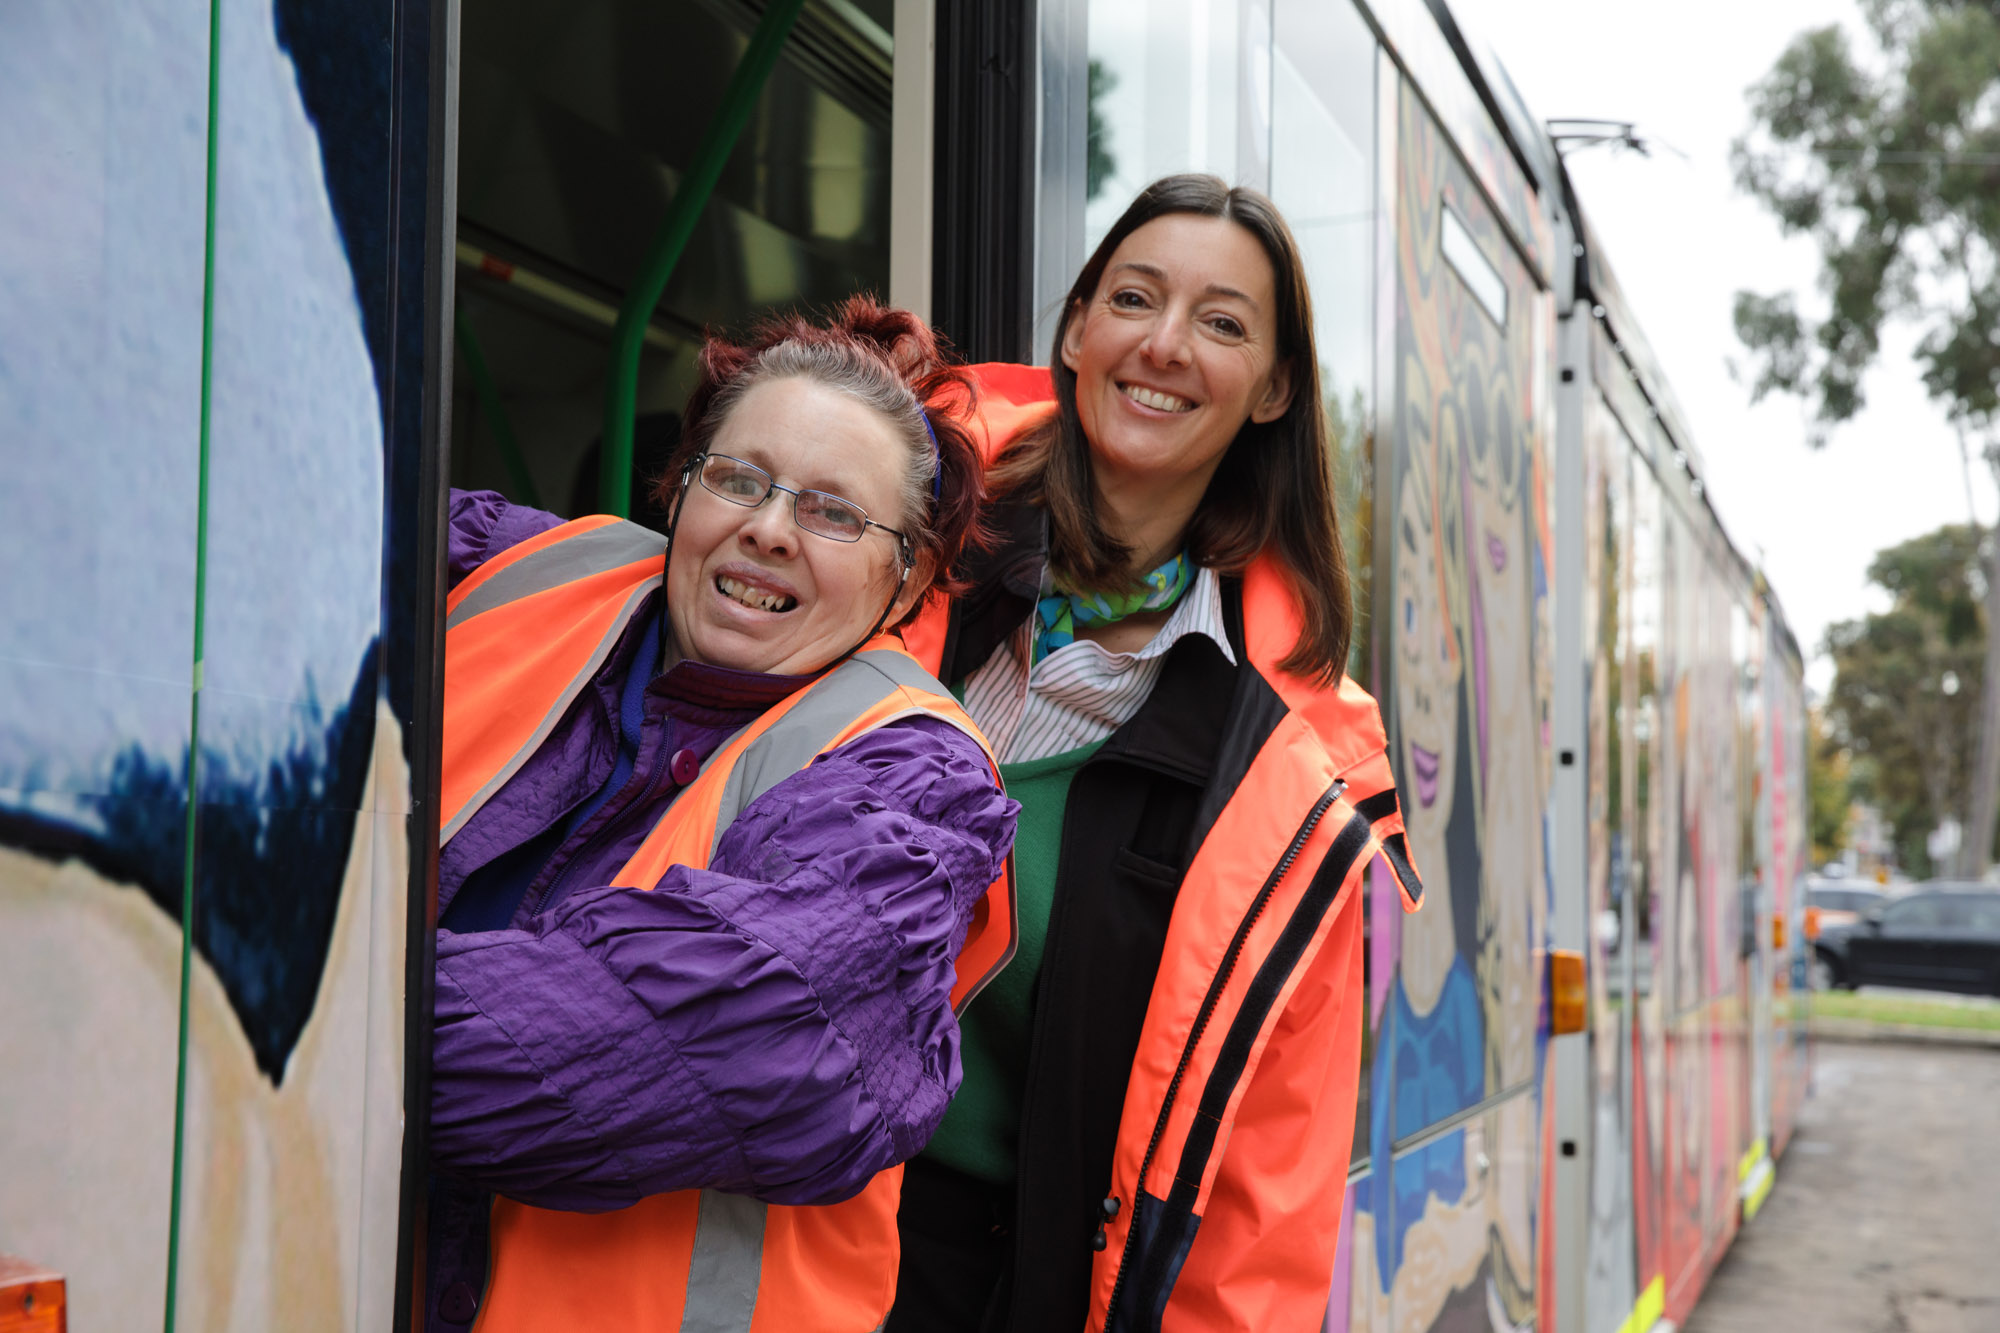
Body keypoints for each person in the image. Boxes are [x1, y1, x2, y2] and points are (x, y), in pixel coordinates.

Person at [888, 175, 1424, 1333]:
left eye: (1223, 322)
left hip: (994, 1284)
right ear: (1078, 327)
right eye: (1133, 297)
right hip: (757, 1235)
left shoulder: (1288, 772)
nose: (1164, 344)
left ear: (1274, 389)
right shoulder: (887, 540)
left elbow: (1259, 1202)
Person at [424, 297, 1020, 1333]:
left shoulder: (916, 784)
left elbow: (691, 1037)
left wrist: (258, 1003)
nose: (768, 528)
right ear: (683, 490)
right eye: (737, 478)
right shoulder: (524, 572)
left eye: (834, 512)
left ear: (908, 577)